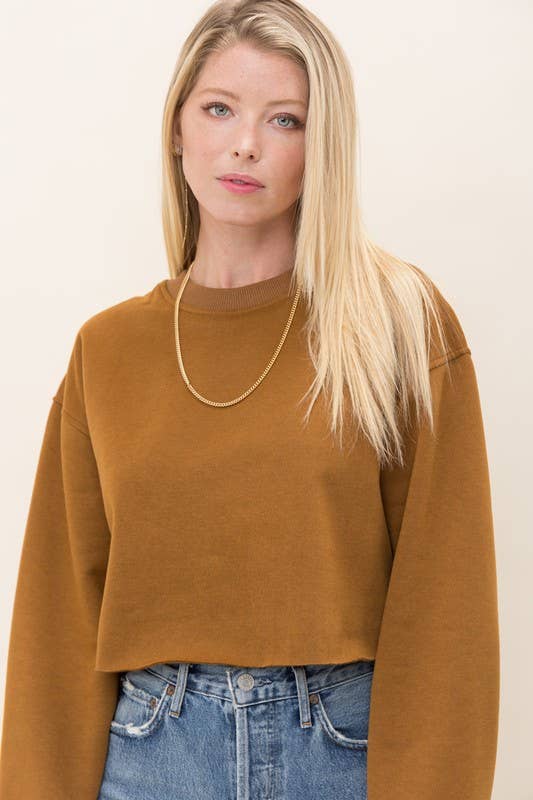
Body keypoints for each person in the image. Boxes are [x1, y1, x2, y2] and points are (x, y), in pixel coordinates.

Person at [0, 1, 499, 798]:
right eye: (218, 108)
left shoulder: (396, 323)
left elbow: (445, 608)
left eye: (285, 119)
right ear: (176, 127)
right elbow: (58, 616)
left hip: (340, 753)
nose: (245, 144)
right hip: (150, 753)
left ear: (321, 144)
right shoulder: (109, 350)